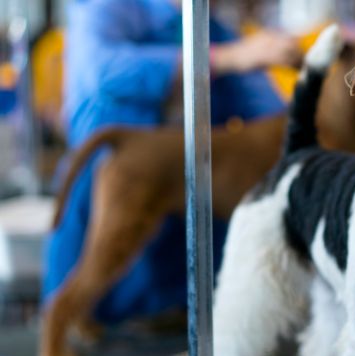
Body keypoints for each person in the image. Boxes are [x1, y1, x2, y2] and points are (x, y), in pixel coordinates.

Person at [44, 0, 301, 324]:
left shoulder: (213, 26)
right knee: (91, 298)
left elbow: (268, 113)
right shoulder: (108, 9)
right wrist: (226, 59)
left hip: (181, 253)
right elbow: (103, 70)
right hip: (111, 192)